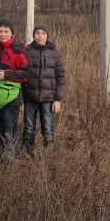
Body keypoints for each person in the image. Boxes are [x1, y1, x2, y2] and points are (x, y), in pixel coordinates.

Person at [23, 23, 66, 155]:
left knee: (47, 129)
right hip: (29, 97)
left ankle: (49, 157)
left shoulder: (55, 54)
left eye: (43, 33)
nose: (40, 36)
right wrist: (20, 100)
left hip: (48, 99)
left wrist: (58, 99)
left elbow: (61, 78)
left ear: (47, 35)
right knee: (29, 128)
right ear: (33, 35)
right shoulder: (27, 52)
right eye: (37, 33)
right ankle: (28, 156)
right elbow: (21, 76)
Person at [0, 18, 28, 159]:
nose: (3, 34)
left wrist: (5, 75)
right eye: (0, 31)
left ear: (12, 33)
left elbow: (27, 74)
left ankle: (12, 164)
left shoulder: (18, 50)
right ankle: (0, 163)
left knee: (9, 133)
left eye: (6, 31)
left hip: (12, 99)